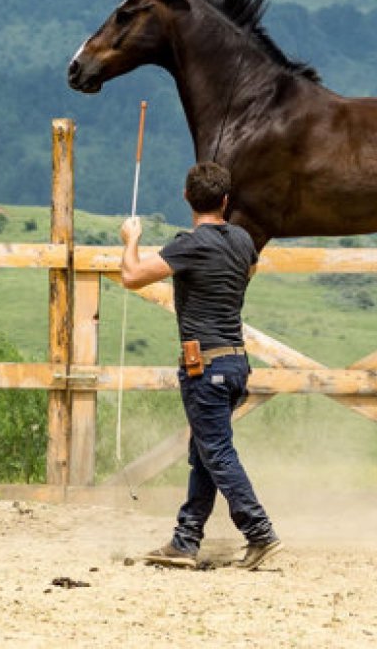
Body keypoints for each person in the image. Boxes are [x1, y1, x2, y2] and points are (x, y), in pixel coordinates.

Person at [118, 161, 281, 571]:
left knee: (217, 452)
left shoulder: (189, 245)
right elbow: (249, 271)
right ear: (225, 201)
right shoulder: (243, 242)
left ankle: (259, 532)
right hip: (236, 363)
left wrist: (130, 239)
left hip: (204, 369)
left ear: (187, 198)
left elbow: (132, 276)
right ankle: (186, 539)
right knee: (205, 452)